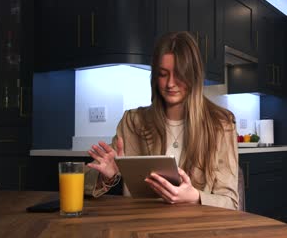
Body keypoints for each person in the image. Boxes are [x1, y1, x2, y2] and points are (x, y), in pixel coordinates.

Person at [85, 31, 239, 210]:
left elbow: (231, 203)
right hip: (143, 227)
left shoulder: (221, 124)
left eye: (179, 74)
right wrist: (107, 176)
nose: (170, 84)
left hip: (198, 229)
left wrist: (195, 196)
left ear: (194, 76)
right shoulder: (133, 122)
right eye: (163, 74)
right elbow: (85, 182)